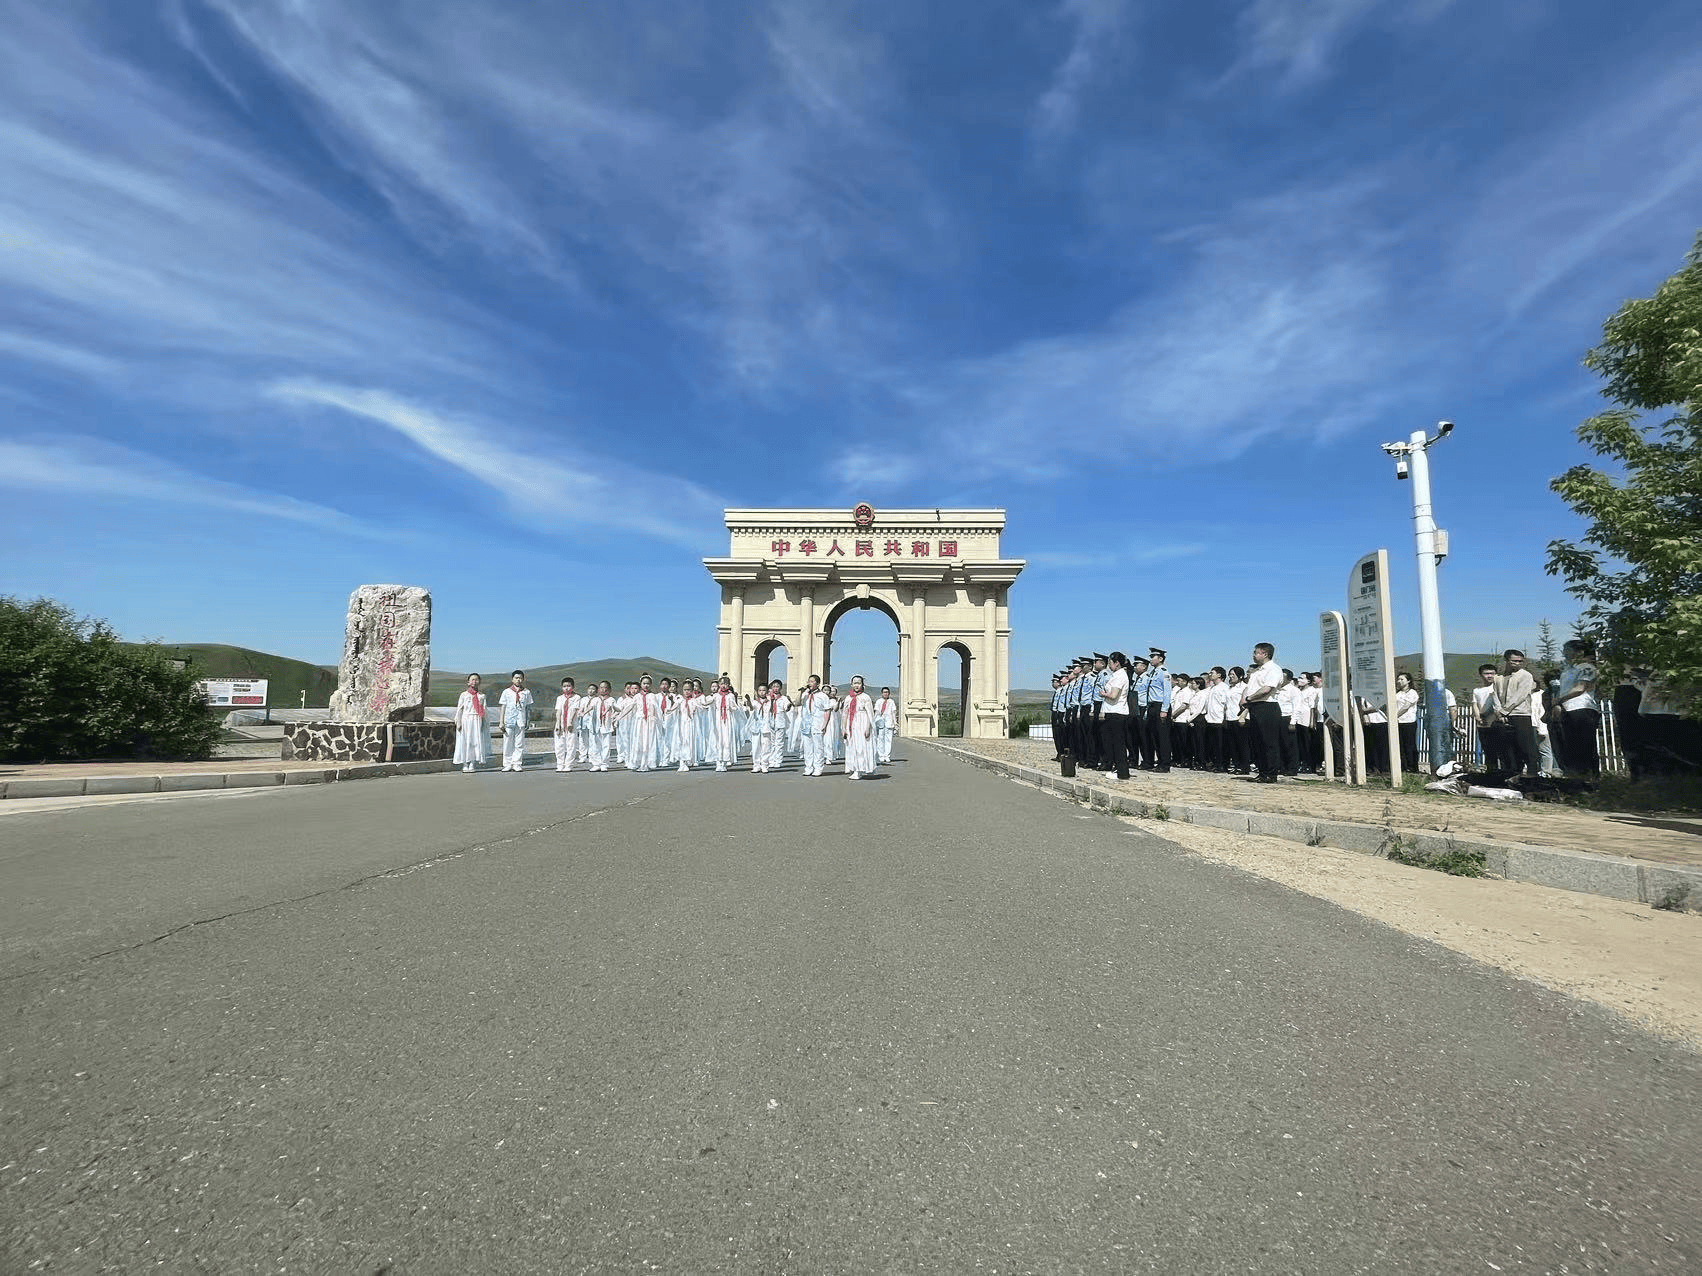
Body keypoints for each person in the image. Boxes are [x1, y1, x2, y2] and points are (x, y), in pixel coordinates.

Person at [1555, 640, 1601, 778]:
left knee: (1585, 745)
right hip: (1567, 708)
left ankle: (1590, 777)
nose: (1565, 653)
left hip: (1582, 708)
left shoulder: (1586, 667)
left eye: (1568, 650)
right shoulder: (1568, 670)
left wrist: (1558, 700)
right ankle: (1575, 776)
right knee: (1571, 745)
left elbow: (1580, 688)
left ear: (1579, 652)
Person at [1493, 649, 1541, 778]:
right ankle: (1511, 772)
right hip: (1504, 715)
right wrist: (1499, 711)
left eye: (1520, 661)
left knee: (1525, 745)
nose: (1517, 664)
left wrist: (1504, 711)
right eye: (1514, 661)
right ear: (1507, 661)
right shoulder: (1498, 678)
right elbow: (1496, 695)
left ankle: (1532, 772)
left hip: (1521, 713)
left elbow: (1520, 695)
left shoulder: (1525, 675)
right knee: (1508, 747)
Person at [1243, 643, 1283, 783]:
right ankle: (1262, 772)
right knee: (1258, 742)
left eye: (1256, 652)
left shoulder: (1273, 669)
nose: (1253, 655)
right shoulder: (1257, 671)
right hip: (1255, 707)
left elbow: (1266, 689)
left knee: (1268, 742)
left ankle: (1271, 774)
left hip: (1267, 707)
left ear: (1265, 654)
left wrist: (1249, 698)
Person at [1098, 652, 1132, 780]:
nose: (1109, 666)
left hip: (1117, 712)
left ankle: (1122, 771)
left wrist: (1103, 693)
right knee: (1113, 743)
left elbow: (1114, 695)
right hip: (1112, 711)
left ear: (1116, 663)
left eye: (1110, 663)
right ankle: (1118, 769)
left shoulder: (1120, 676)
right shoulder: (1116, 675)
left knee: (1118, 744)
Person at [453, 673, 491, 773]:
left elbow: (484, 710)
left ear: (479, 682)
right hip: (466, 719)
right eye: (472, 679)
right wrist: (459, 722)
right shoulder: (464, 695)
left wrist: (484, 722)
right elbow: (460, 709)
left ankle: (472, 763)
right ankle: (465, 763)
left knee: (475, 741)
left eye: (476, 680)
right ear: (468, 682)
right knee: (465, 741)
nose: (474, 681)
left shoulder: (482, 696)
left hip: (477, 719)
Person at [1142, 648, 1172, 773]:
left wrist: (1164, 709)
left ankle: (1165, 764)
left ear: (1160, 659)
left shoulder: (1164, 673)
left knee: (1162, 737)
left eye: (1153, 657)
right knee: (1154, 736)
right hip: (1152, 706)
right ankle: (1159, 762)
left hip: (1160, 706)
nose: (1151, 659)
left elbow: (1167, 692)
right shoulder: (1153, 673)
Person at [841, 676, 876, 779]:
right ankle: (853, 768)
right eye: (855, 683)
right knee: (852, 747)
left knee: (861, 747)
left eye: (859, 683)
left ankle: (859, 770)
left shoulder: (866, 697)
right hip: (851, 725)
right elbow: (844, 714)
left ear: (862, 685)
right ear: (851, 684)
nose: (857, 685)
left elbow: (870, 714)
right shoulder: (848, 698)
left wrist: (868, 727)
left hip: (862, 723)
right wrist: (843, 728)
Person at [499, 670, 534, 772]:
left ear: (523, 679)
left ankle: (517, 763)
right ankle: (507, 764)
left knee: (519, 743)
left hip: (520, 720)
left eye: (520, 678)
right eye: (516, 678)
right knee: (507, 743)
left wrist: (528, 721)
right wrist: (501, 722)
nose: (518, 680)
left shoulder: (526, 692)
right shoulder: (506, 692)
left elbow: (528, 708)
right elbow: (503, 707)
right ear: (512, 679)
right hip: (508, 720)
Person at [799, 675, 831, 777]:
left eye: (812, 681)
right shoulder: (805, 695)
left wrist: (824, 725)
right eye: (809, 681)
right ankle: (808, 767)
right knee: (807, 748)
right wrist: (800, 692)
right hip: (806, 724)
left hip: (818, 723)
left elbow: (827, 710)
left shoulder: (823, 696)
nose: (809, 683)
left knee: (818, 747)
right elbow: (796, 703)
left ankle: (818, 768)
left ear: (817, 683)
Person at [1393, 671, 1420, 775]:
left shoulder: (1412, 693)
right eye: (1398, 679)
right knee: (1400, 745)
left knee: (1410, 745)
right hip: (1398, 722)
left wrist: (1395, 716)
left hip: (1408, 721)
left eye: (1402, 679)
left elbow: (1406, 707)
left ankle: (1412, 767)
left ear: (1408, 681)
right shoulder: (1398, 694)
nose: (1399, 681)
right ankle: (1403, 767)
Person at [553, 677, 582, 772]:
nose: (567, 688)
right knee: (559, 745)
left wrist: (570, 722)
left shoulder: (576, 697)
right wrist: (557, 723)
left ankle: (568, 764)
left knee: (571, 745)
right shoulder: (560, 698)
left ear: (573, 687)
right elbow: (558, 711)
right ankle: (560, 764)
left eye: (569, 686)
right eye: (564, 686)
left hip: (571, 724)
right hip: (561, 724)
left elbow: (574, 709)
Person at [874, 686, 899, 763]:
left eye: (887, 692)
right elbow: (876, 712)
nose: (886, 694)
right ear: (881, 693)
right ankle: (881, 755)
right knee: (880, 739)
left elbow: (894, 712)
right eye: (884, 692)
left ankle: (887, 756)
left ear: (889, 694)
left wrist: (895, 723)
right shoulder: (878, 701)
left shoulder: (891, 702)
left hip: (889, 722)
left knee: (888, 740)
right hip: (880, 722)